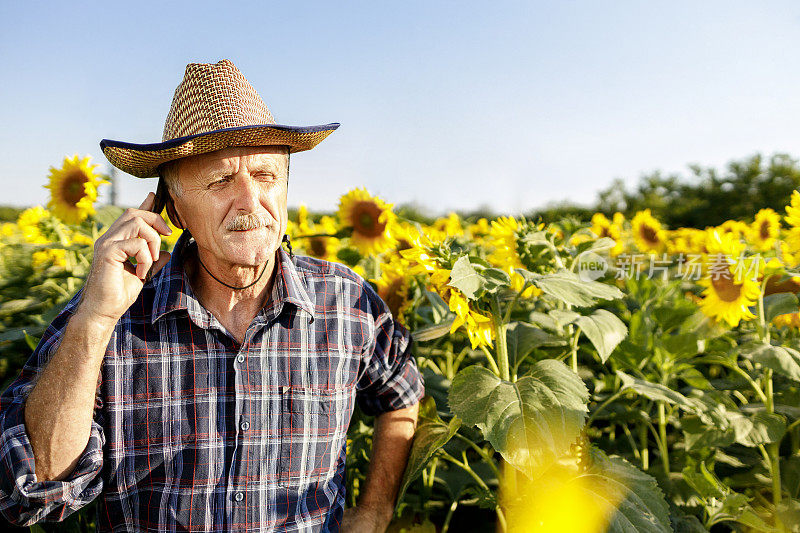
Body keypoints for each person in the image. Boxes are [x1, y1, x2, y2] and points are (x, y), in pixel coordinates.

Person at [0, 59, 424, 532]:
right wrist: (95, 320)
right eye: (221, 181)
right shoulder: (107, 322)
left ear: (286, 188)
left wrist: (375, 509)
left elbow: (400, 394)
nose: (250, 202)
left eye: (265, 176)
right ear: (173, 208)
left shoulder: (347, 302)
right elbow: (32, 493)